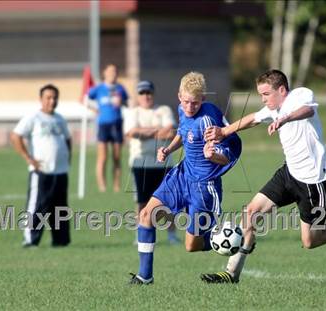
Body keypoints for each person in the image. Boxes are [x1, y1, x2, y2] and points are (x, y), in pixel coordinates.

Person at [200, 69, 326, 284]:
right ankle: (231, 273)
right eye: (260, 95)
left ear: (281, 89)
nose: (263, 99)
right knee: (251, 212)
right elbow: (253, 119)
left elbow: (308, 111)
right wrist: (224, 132)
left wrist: (285, 118)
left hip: (313, 182)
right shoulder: (274, 107)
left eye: (266, 94)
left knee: (309, 241)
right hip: (289, 174)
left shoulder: (300, 95)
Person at [129, 72, 242, 284]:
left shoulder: (209, 120)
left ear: (203, 100)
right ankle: (144, 276)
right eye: (187, 102)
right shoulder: (182, 109)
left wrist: (214, 155)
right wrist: (169, 148)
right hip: (181, 177)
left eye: (196, 103)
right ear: (179, 96)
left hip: (204, 186)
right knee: (146, 215)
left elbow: (227, 155)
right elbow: (183, 131)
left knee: (192, 246)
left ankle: (234, 239)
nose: (190, 107)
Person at [11, 84, 72, 247]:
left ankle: (61, 241)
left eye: (54, 98)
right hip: (41, 171)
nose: (52, 101)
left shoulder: (60, 119)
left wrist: (68, 158)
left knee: (60, 209)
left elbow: (67, 139)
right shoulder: (33, 118)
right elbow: (16, 136)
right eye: (48, 98)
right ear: (41, 99)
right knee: (37, 206)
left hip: (60, 172)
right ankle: (31, 239)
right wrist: (27, 157)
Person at [124, 80, 180, 245]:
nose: (146, 96)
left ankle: (171, 235)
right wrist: (157, 130)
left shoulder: (163, 110)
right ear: (138, 95)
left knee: (169, 202)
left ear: (153, 93)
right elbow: (132, 132)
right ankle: (140, 234)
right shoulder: (133, 113)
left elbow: (170, 132)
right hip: (141, 164)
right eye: (142, 93)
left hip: (164, 163)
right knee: (142, 201)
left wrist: (145, 131)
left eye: (148, 92)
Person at [88, 64, 128, 192]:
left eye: (115, 71)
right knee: (103, 157)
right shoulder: (99, 89)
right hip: (103, 125)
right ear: (104, 73)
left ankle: (116, 186)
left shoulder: (121, 88)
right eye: (110, 71)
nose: (113, 73)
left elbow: (128, 102)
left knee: (116, 157)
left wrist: (121, 102)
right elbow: (85, 98)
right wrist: (94, 110)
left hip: (116, 124)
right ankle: (102, 186)